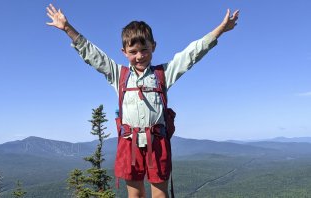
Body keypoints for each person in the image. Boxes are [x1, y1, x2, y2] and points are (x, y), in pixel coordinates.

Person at [46, 3, 239, 197]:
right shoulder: (118, 75)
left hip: (157, 142)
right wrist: (67, 28)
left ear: (153, 47)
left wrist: (220, 30)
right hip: (130, 143)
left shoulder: (163, 73)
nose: (139, 56)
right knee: (135, 195)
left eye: (144, 50)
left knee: (160, 195)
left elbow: (192, 54)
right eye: (133, 52)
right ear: (124, 52)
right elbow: (94, 55)